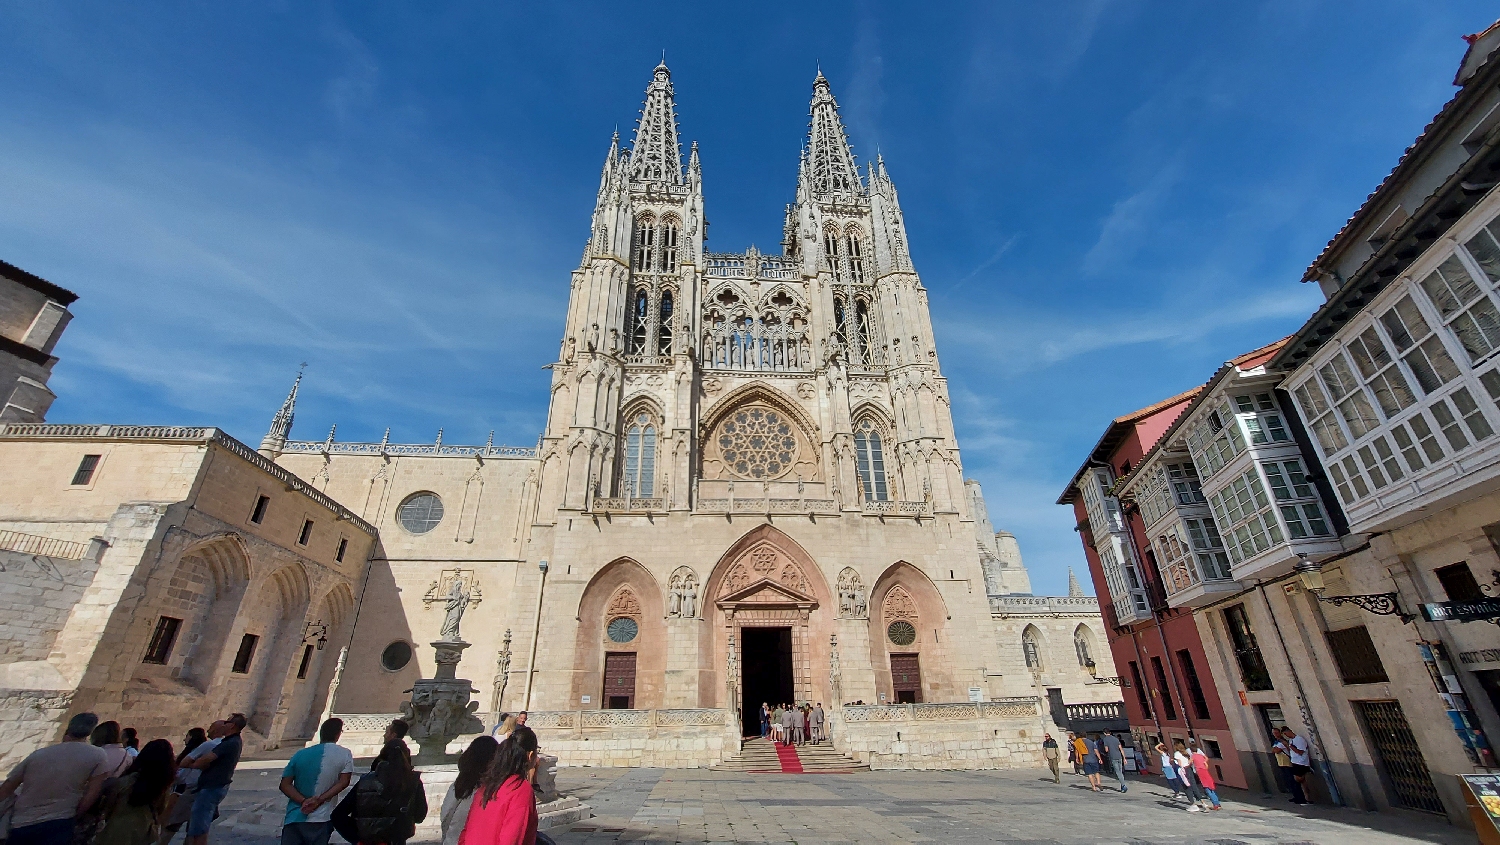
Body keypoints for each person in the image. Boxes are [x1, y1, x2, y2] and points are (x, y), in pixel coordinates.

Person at [0, 712, 110, 845]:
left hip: (22, 821)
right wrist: (77, 815)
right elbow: (92, 793)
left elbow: (7, 787)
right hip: (61, 820)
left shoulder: (39, 755)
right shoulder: (98, 755)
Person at [456, 726, 541, 845]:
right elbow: (512, 839)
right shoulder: (520, 789)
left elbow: (466, 831)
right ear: (530, 755)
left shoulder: (488, 784)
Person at [332, 741, 427, 845]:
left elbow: (337, 815)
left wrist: (357, 839)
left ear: (381, 757)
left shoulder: (365, 781)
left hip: (367, 841)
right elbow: (420, 816)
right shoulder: (413, 782)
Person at [279, 718, 356, 845]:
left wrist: (303, 801)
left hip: (295, 817)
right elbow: (344, 782)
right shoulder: (345, 754)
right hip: (322, 817)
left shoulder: (300, 754)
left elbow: (284, 784)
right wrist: (319, 800)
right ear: (338, 734)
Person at [180, 712, 246, 845]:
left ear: (232, 725)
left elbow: (206, 759)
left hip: (211, 788)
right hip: (214, 786)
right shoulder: (232, 741)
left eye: (227, 722)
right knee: (199, 825)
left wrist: (193, 764)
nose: (224, 724)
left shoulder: (229, 743)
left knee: (199, 828)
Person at [96, 739, 176, 845]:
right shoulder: (163, 786)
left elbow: (109, 805)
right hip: (144, 830)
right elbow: (161, 810)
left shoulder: (126, 781)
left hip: (116, 830)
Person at [158, 726, 214, 845]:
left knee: (171, 824)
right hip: (199, 791)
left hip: (185, 791)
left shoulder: (195, 752)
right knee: (193, 828)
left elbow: (182, 774)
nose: (185, 740)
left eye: (187, 736)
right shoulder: (209, 749)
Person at [441, 736, 499, 845]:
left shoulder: (460, 785)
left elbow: (446, 815)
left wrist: (446, 837)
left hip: (454, 839)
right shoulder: (495, 789)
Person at [1276, 727, 1312, 805]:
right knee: (1301, 781)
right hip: (1295, 762)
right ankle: (1306, 798)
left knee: (1298, 779)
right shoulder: (1291, 740)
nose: (1286, 736)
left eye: (1285, 734)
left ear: (1289, 731)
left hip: (1301, 762)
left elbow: (1300, 752)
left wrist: (1290, 747)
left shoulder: (1299, 739)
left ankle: (1304, 798)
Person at [1173, 739, 1208, 812]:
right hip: (1189, 769)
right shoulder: (1185, 752)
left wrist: (1174, 761)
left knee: (1187, 787)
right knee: (1194, 786)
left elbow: (1179, 764)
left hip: (1183, 771)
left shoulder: (1177, 753)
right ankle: (1203, 803)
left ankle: (1193, 805)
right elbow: (1190, 761)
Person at [1188, 739, 1221, 810]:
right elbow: (1206, 761)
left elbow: (1189, 763)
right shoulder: (1200, 755)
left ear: (1191, 751)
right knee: (1211, 788)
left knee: (1207, 790)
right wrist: (1203, 763)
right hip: (1205, 771)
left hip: (1201, 773)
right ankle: (1217, 803)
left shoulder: (1193, 756)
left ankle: (1215, 805)